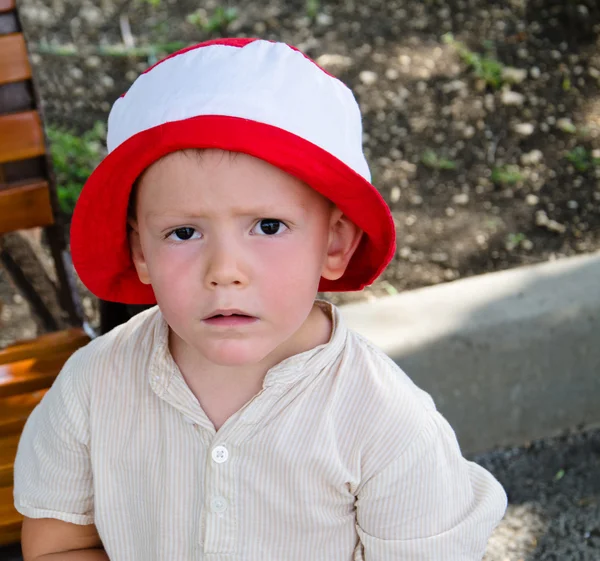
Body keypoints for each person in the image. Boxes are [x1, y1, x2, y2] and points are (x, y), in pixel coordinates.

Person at [13, 38, 507, 560]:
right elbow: (57, 546)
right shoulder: (91, 390)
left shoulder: (386, 425)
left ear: (335, 243)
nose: (224, 271)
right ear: (140, 250)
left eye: (268, 226)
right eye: (183, 233)